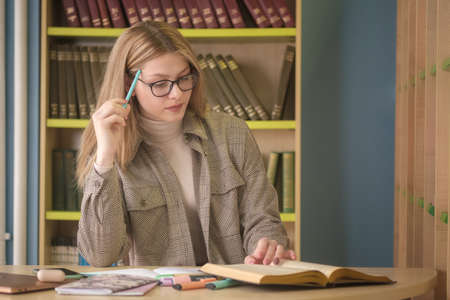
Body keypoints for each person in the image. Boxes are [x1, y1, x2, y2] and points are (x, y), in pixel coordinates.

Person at [76, 21, 295, 267]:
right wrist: (105, 157)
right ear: (130, 85)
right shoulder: (109, 150)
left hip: (230, 291)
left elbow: (263, 219)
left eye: (183, 78)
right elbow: (99, 255)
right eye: (160, 84)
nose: (176, 94)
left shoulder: (233, 133)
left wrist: (266, 246)